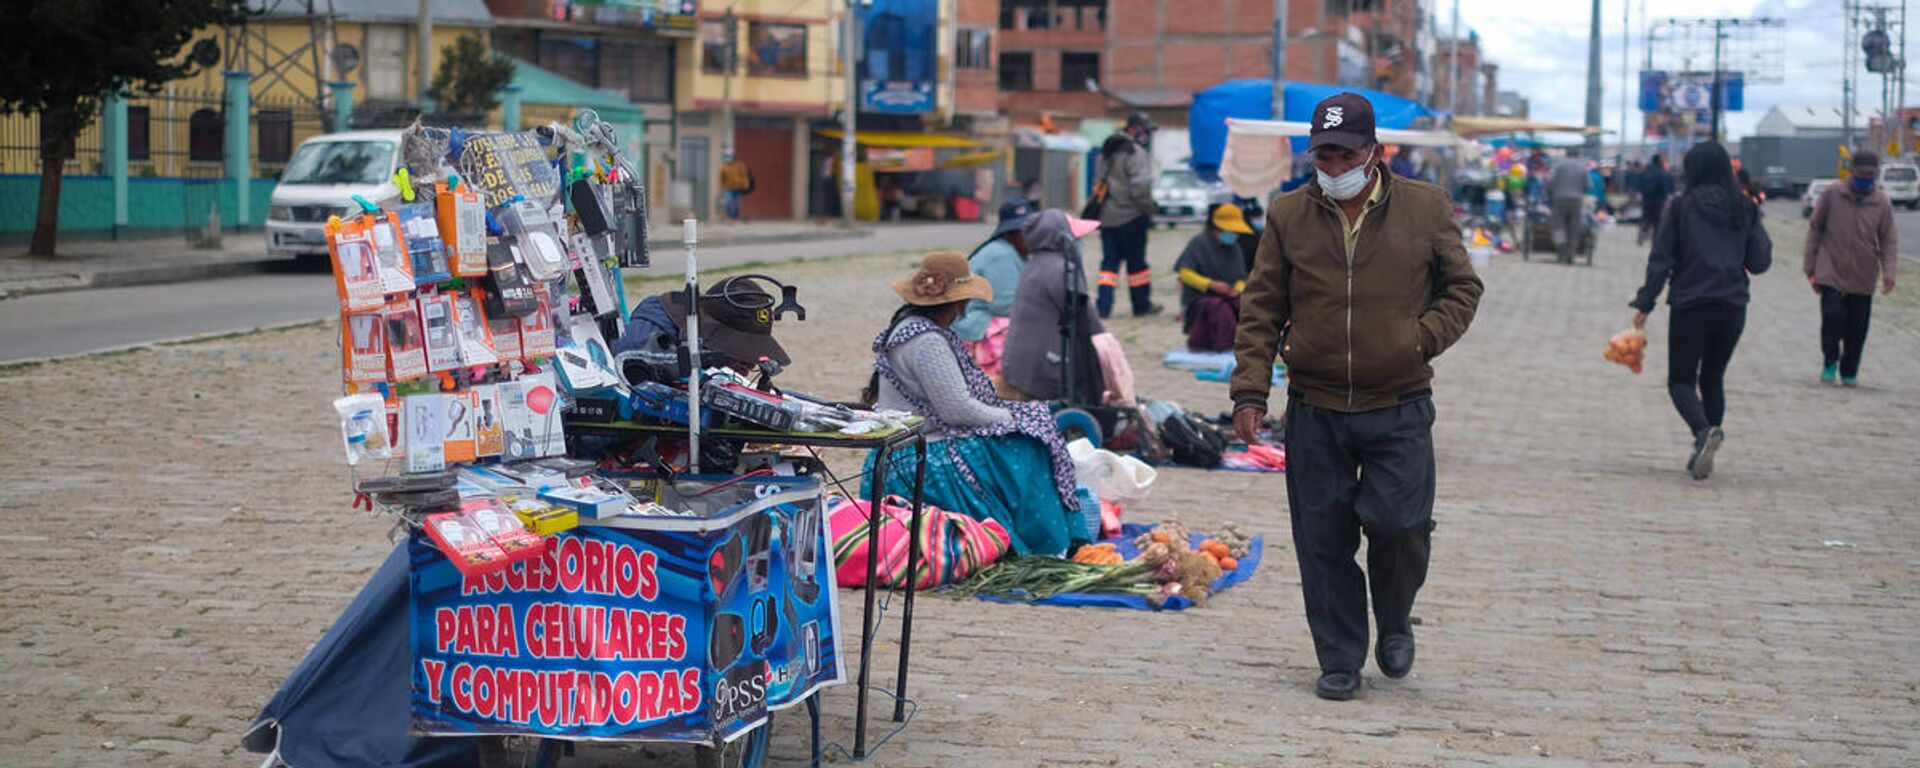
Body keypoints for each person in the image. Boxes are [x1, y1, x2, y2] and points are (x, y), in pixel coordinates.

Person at [1231, 93, 1484, 702]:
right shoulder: (1289, 214)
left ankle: (1394, 617)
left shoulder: (1425, 208)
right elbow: (1262, 306)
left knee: (1399, 525)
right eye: (1323, 152)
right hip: (1316, 405)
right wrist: (1250, 390)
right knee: (1323, 538)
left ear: (1375, 152)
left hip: (1397, 400)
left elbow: (1463, 287)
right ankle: (1340, 655)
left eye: (1345, 152)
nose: (1333, 162)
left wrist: (1418, 341)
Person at [861, 251, 1087, 556]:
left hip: (909, 442)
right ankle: (1043, 542)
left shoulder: (913, 329)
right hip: (921, 452)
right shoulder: (927, 342)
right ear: (957, 303)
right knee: (1027, 445)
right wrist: (1011, 418)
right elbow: (958, 411)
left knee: (1032, 423)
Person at [1629, 141, 1773, 480]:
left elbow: (1662, 258)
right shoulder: (1745, 207)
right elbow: (1760, 261)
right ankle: (1706, 443)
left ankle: (1702, 432)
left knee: (1681, 380)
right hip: (1732, 306)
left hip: (1691, 303)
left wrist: (1645, 302)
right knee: (1713, 377)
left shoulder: (1681, 207)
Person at [1804, 150, 1899, 386]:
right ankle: (1830, 360)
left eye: (1872, 174)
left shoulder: (1881, 202)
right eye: (1863, 173)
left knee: (1857, 328)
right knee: (1832, 317)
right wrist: (1810, 265)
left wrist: (1889, 272)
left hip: (1862, 273)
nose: (1867, 178)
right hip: (1830, 268)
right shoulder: (1833, 194)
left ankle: (1849, 370)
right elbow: (1815, 228)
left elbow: (1888, 240)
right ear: (1852, 171)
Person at [1001, 210, 1104, 401]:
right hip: (1039, 375)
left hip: (1018, 369)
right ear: (1062, 239)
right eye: (1077, 238)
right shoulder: (1060, 270)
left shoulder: (1037, 264)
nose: (1080, 243)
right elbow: (1088, 319)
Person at [953, 198, 1039, 378]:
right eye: (1025, 231)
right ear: (1011, 234)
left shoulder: (1016, 252)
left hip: (984, 319)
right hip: (974, 324)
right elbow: (1004, 306)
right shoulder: (1000, 255)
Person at [1093, 112, 1162, 318]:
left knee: (1108, 266)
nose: (1147, 135)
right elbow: (1140, 189)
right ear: (1134, 128)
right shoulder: (1135, 153)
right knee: (1137, 266)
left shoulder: (1107, 151)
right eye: (1145, 130)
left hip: (1107, 218)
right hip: (1131, 217)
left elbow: (1098, 185)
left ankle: (1103, 308)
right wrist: (1150, 209)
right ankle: (1141, 306)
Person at [1175, 203, 1254, 352]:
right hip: (1199, 297)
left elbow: (1242, 278)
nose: (1233, 235)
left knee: (1247, 306)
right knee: (1219, 310)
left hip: (1227, 294)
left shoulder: (1234, 247)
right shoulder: (1198, 243)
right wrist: (1210, 284)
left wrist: (1237, 289)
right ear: (1216, 228)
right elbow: (1185, 273)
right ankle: (1222, 345)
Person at [1548, 150, 1591, 264]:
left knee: (1559, 228)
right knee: (1573, 229)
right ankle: (1570, 255)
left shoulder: (1559, 166)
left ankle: (1560, 253)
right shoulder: (1582, 168)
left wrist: (1553, 190)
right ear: (1578, 155)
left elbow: (1550, 183)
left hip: (1560, 199)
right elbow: (1588, 185)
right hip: (1576, 201)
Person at [1637, 154, 1674, 246]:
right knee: (1657, 220)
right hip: (1658, 201)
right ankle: (1655, 239)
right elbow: (1664, 187)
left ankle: (1642, 234)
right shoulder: (1661, 173)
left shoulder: (1645, 172)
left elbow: (1640, 185)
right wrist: (1666, 199)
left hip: (1646, 200)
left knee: (1646, 218)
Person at [719, 148, 752, 224]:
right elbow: (722, 177)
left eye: (729, 156)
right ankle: (729, 217)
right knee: (728, 202)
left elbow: (744, 175)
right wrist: (722, 187)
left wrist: (745, 185)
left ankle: (735, 218)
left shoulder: (739, 165)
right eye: (727, 156)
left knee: (737, 204)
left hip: (738, 187)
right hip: (728, 187)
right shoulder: (724, 166)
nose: (728, 157)